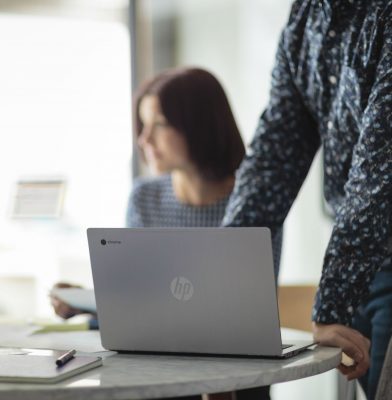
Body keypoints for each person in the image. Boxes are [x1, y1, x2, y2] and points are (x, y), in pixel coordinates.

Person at [52, 67, 282, 400]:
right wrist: (90, 302)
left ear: (199, 126)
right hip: (156, 367)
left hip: (237, 369)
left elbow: (248, 309)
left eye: (158, 125)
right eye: (143, 126)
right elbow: (142, 298)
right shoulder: (144, 197)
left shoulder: (256, 203)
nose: (144, 140)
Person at [221, 2, 392, 398]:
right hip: (360, 266)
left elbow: (378, 176)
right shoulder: (306, 17)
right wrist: (223, 289)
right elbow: (273, 159)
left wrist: (331, 308)